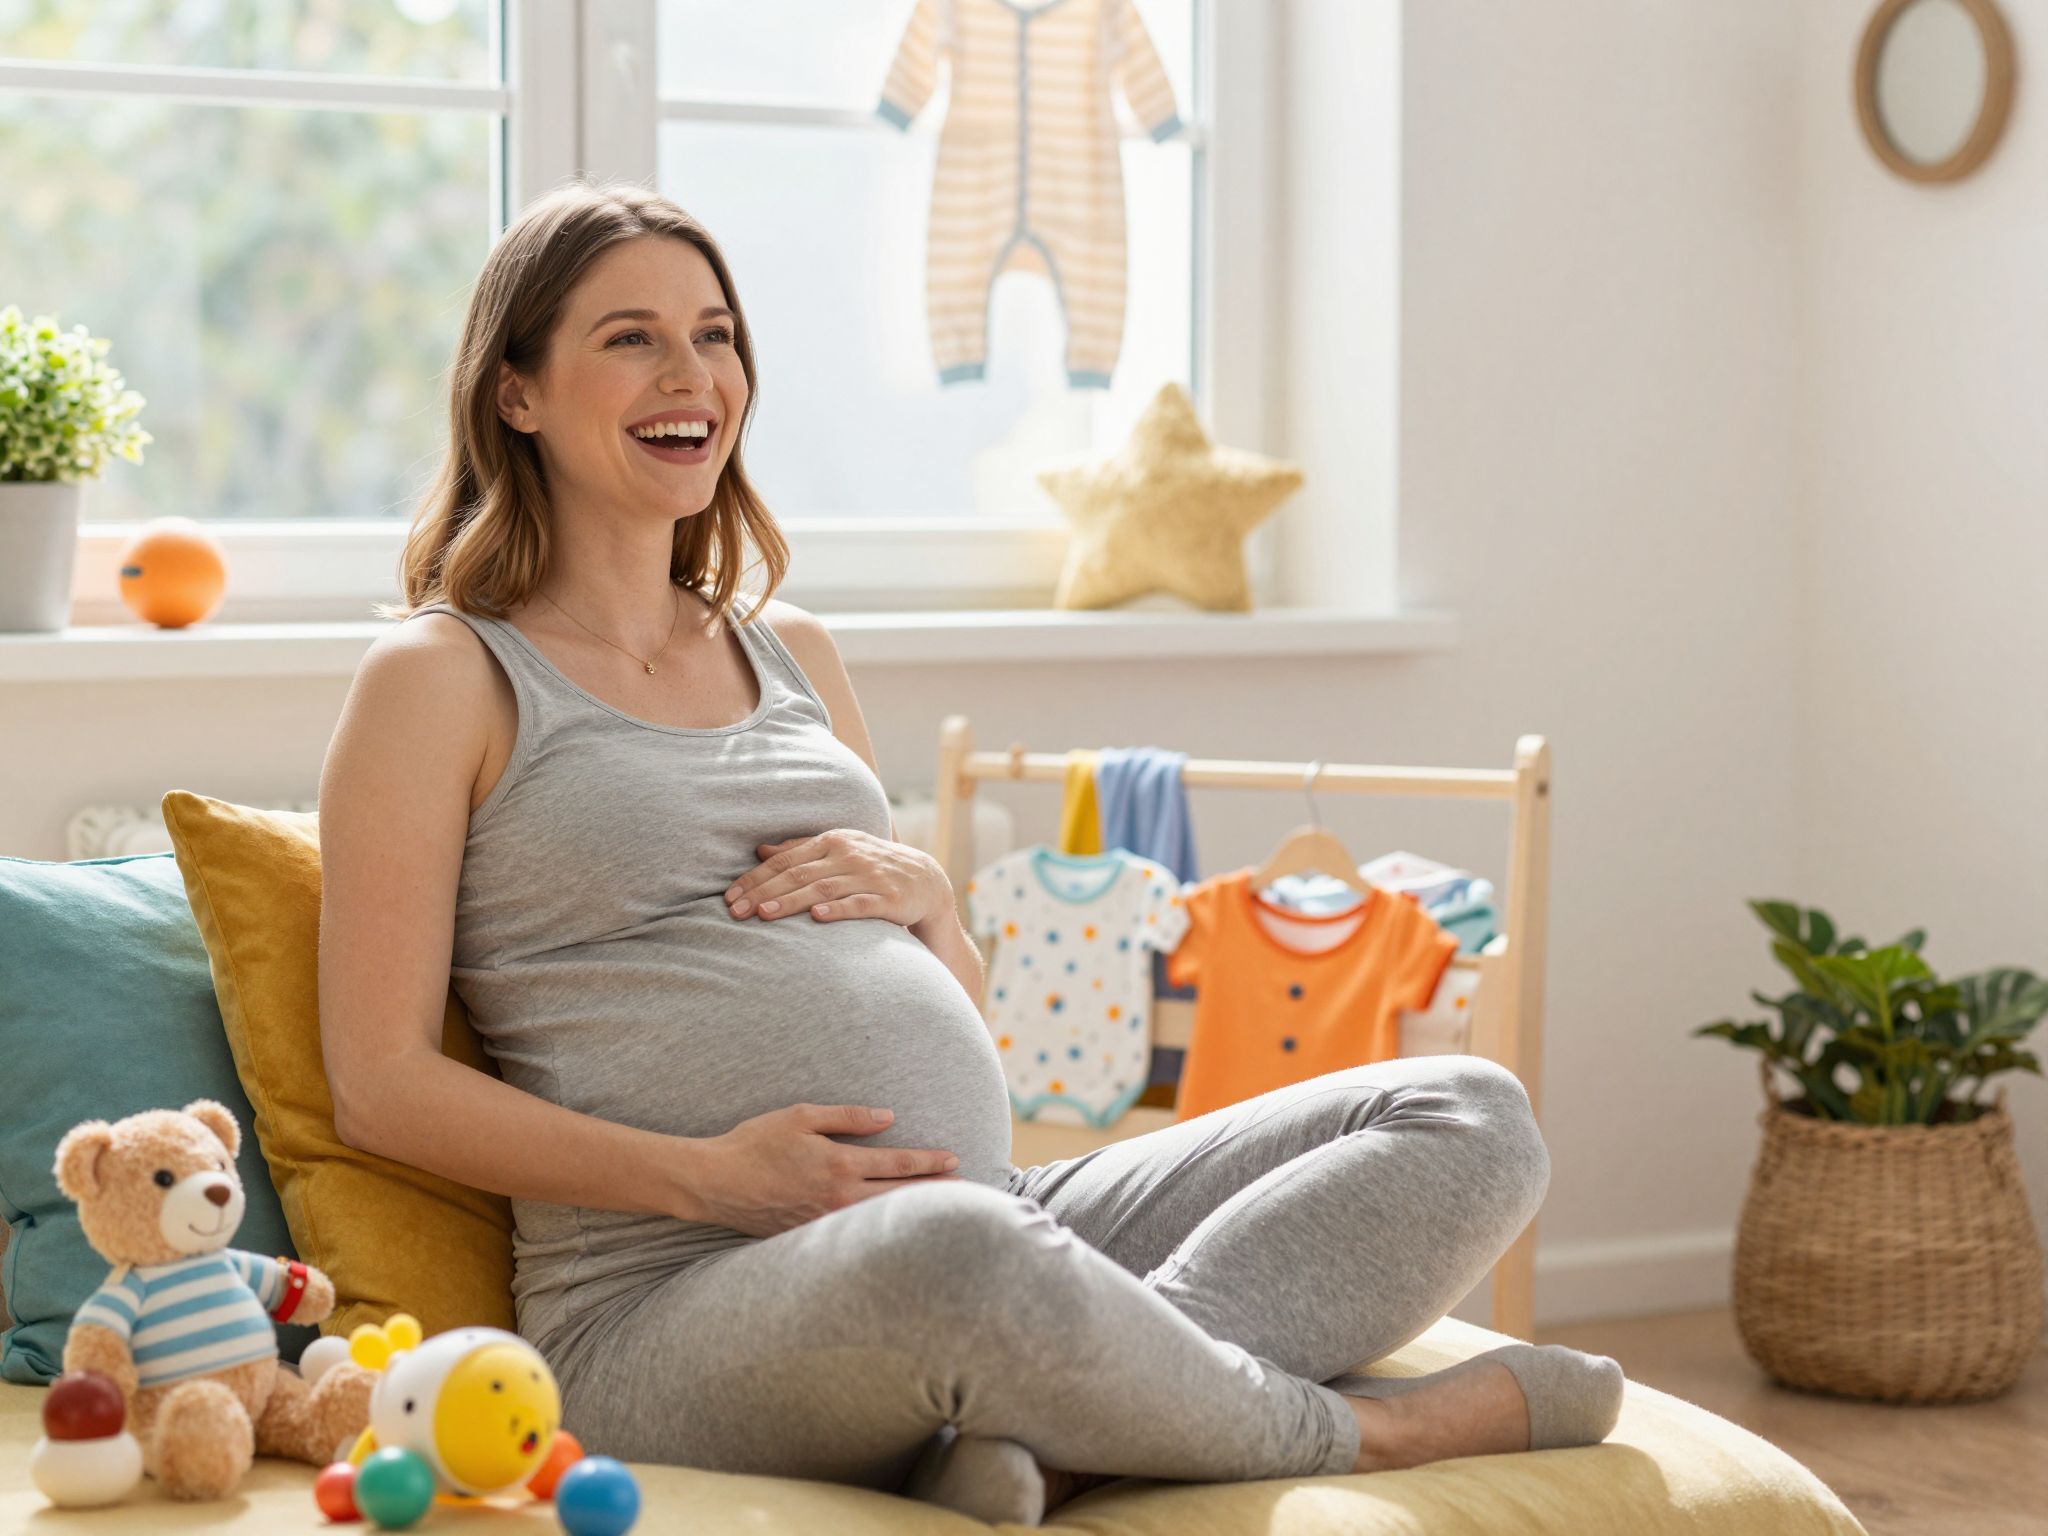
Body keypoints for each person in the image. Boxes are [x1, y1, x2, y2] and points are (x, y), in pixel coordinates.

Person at [317, 179, 1623, 1527]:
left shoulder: (794, 652)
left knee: (1469, 1115)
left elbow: (945, 1018)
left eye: (715, 334)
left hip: (997, 1211)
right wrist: (706, 1175)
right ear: (516, 392)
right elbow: (381, 1084)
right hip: (671, 1300)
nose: (692, 374)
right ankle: (1359, 1434)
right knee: (965, 1253)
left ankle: (1077, 1428)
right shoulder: (443, 676)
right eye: (630, 337)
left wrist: (936, 907)